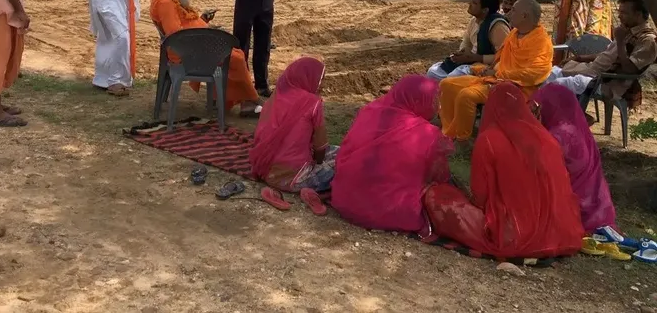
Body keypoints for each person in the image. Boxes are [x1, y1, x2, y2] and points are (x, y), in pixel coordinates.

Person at [423, 83, 584, 260]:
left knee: (435, 196)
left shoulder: (489, 141)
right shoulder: (547, 140)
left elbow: (480, 196)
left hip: (511, 234)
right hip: (558, 232)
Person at [331, 75, 453, 234]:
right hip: (389, 213)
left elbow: (345, 152)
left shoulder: (369, 112)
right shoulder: (428, 135)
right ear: (418, 101)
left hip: (346, 201)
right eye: (433, 101)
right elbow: (439, 177)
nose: (437, 107)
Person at [150, 0, 260, 116]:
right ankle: (247, 102)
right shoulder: (164, 2)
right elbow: (176, 35)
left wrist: (203, 21)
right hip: (186, 52)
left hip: (195, 45)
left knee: (235, 53)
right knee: (235, 57)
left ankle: (224, 99)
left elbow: (185, 24)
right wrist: (208, 37)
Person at [438, 0, 553, 141]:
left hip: (516, 89)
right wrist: (485, 69)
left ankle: (462, 139)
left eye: (514, 10)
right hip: (494, 79)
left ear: (524, 16)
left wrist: (498, 73)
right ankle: (449, 131)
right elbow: (501, 58)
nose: (509, 12)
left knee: (467, 95)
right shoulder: (514, 33)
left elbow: (537, 73)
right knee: (446, 84)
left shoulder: (541, 42)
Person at [533, 84, 617, 233]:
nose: (538, 111)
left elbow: (540, 173)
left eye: (540, 106)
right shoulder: (574, 127)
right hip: (598, 207)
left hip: (579, 211)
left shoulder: (558, 136)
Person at [250, 57, 337, 192]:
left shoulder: (275, 97)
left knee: (341, 153)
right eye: (321, 79)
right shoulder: (312, 102)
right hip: (295, 176)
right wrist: (319, 164)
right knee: (346, 165)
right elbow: (320, 148)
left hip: (265, 169)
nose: (322, 85)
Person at [547, 0, 657, 101]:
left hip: (604, 82)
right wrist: (578, 58)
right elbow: (607, 54)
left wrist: (620, 41)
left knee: (554, 85)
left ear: (638, 15)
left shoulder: (647, 40)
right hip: (589, 71)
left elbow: (629, 70)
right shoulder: (627, 30)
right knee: (545, 75)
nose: (619, 16)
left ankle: (577, 117)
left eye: (623, 13)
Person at [427, 0, 509, 82]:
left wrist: (476, 58)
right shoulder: (474, 21)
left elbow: (504, 57)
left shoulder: (498, 26)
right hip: (470, 62)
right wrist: (462, 53)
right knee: (433, 72)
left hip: (486, 66)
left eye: (474, 3)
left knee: (452, 78)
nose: (469, 4)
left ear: (485, 10)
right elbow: (466, 42)